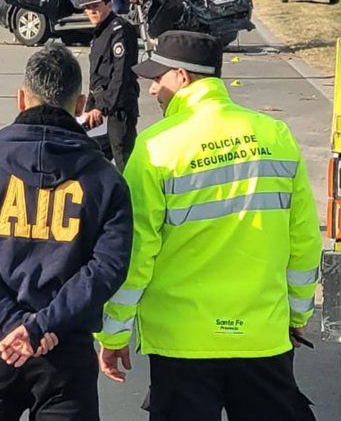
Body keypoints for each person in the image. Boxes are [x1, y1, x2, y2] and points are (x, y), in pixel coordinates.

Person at [96, 30, 322, 421]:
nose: (152, 91)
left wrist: (114, 334)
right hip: (262, 337)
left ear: (182, 77)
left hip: (182, 345)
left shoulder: (154, 148)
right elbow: (303, 242)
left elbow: (134, 255)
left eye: (157, 78)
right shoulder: (275, 136)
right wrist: (297, 317)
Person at [0, 43, 133, 421]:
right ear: (80, 106)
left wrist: (13, 324)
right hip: (65, 349)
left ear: (22, 98)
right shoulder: (105, 179)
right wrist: (41, 326)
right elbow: (108, 267)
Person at [80, 0, 140, 171]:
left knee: (125, 162)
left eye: (95, 6)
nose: (91, 11)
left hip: (117, 110)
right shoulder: (99, 33)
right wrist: (89, 107)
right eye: (88, 8)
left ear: (108, 5)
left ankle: (133, 199)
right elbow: (96, 77)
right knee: (90, 158)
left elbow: (120, 76)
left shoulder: (120, 30)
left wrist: (102, 107)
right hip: (100, 108)